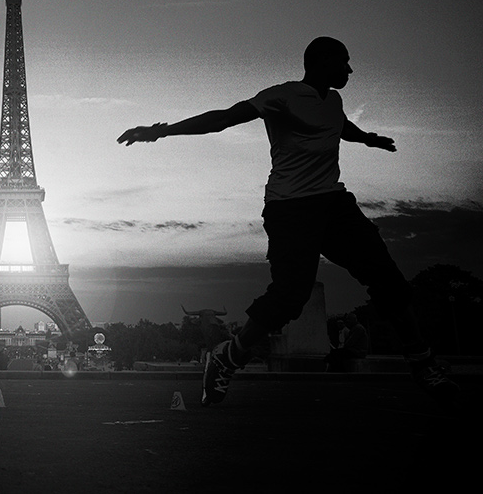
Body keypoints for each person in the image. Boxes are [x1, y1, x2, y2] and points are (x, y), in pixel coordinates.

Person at [117, 37, 459, 407]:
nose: (350, 69)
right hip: (290, 208)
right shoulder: (282, 96)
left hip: (333, 203)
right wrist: (162, 130)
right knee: (289, 297)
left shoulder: (335, 100)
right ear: (321, 62)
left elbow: (340, 126)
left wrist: (368, 139)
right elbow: (224, 119)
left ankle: (423, 362)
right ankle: (228, 356)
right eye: (343, 62)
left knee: (386, 276)